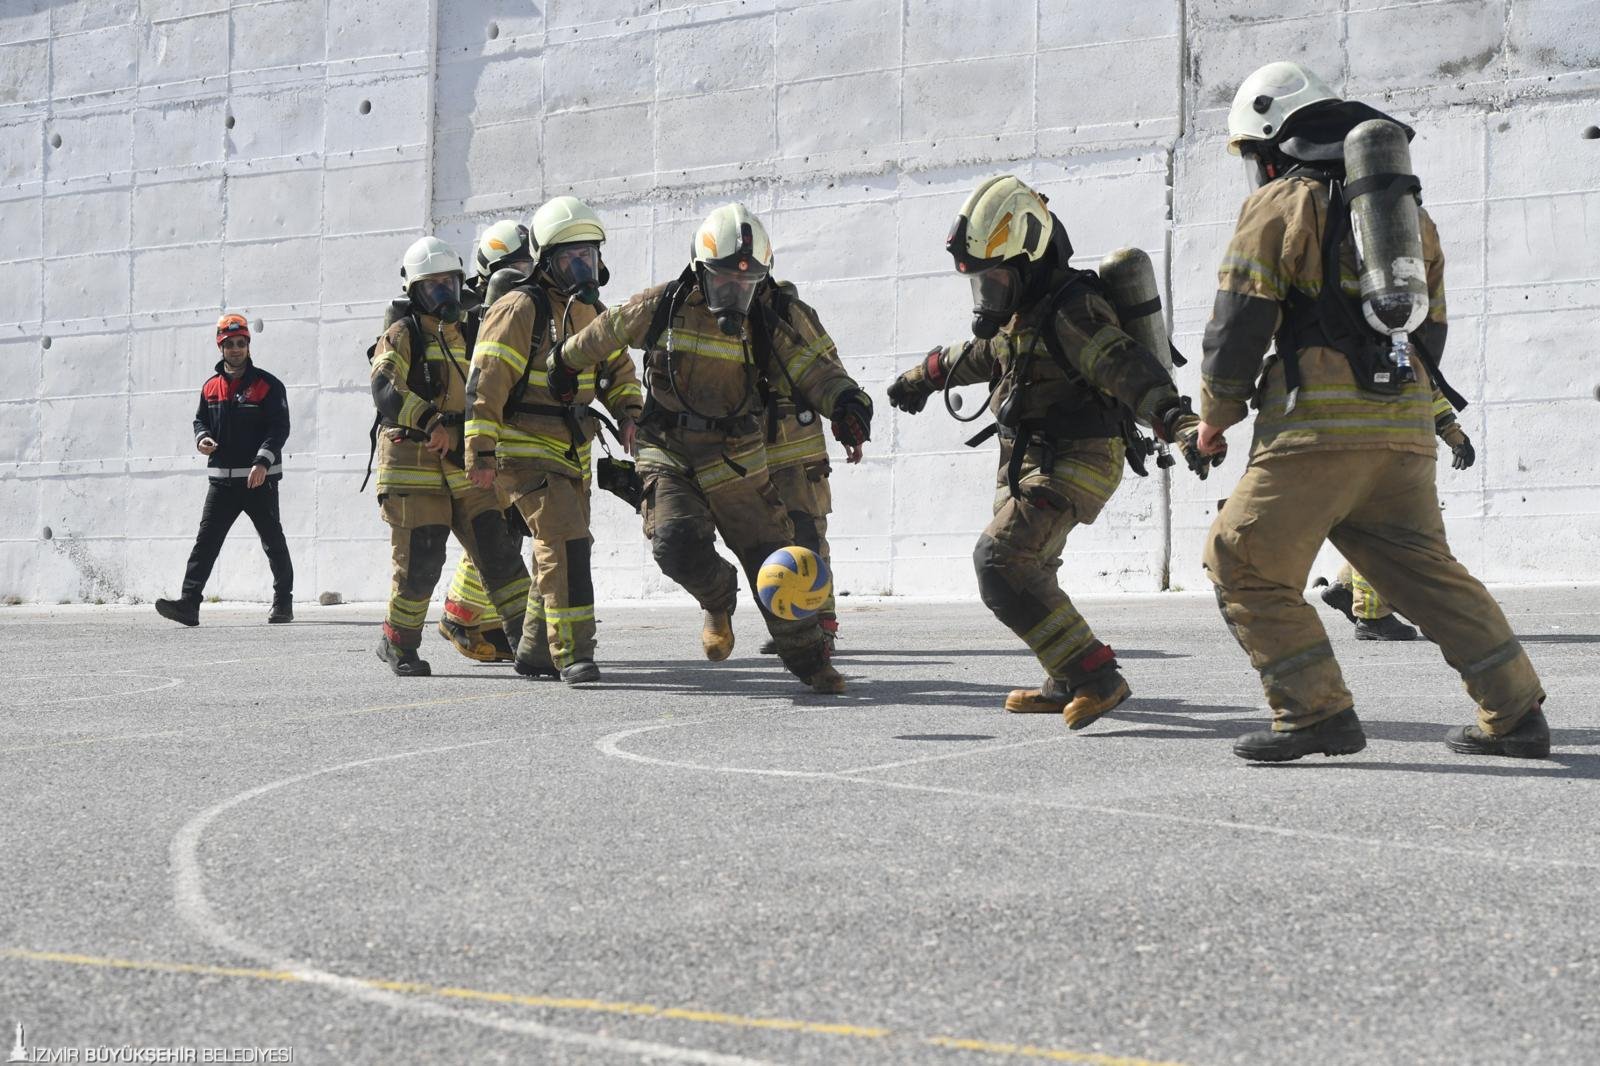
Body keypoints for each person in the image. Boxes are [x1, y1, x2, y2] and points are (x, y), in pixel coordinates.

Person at [1196, 61, 1548, 761]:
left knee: (1240, 559)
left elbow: (1240, 320)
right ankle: (1516, 714)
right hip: (1404, 426)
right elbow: (1431, 331)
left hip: (1318, 431)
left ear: (1272, 142)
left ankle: (1314, 712)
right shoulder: (1408, 213)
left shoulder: (1282, 202)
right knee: (1426, 573)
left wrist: (1216, 415)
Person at [888, 175, 1215, 728]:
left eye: (994, 281)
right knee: (1031, 567)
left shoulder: (1073, 311)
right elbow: (977, 352)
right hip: (1034, 459)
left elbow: (1129, 369)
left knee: (999, 561)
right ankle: (1064, 677)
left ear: (1030, 259)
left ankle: (1096, 676)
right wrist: (919, 378)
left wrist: (1179, 423)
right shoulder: (1023, 310)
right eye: (980, 284)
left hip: (1079, 458)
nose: (986, 297)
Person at [545, 204, 872, 694]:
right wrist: (565, 363)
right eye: (724, 283)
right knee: (674, 543)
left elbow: (812, 367)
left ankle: (809, 662)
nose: (735, 295)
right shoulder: (663, 306)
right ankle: (719, 600)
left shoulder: (765, 318)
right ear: (701, 270)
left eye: (747, 284)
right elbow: (606, 330)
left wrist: (847, 403)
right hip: (668, 448)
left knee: (774, 559)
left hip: (737, 454)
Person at [465, 198, 645, 684]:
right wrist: (480, 452)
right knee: (566, 542)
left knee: (558, 545)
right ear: (546, 261)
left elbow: (619, 371)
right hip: (522, 447)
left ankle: (535, 651)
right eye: (571, 257)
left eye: (589, 254)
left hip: (571, 449)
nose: (583, 265)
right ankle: (574, 653)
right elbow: (485, 384)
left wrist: (630, 414)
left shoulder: (592, 310)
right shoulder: (519, 307)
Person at [369, 236, 531, 676]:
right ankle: (398, 643)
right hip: (413, 464)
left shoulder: (476, 330)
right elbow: (385, 387)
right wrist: (430, 422)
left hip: (465, 460)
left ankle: (529, 644)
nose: (444, 295)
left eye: (450, 284)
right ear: (414, 292)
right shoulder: (402, 334)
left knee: (498, 552)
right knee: (421, 561)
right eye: (432, 287)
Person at [434, 220, 534, 665]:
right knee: (500, 531)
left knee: (510, 530)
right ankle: (459, 613)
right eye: (516, 267)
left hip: (515, 433)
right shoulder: (476, 314)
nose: (525, 274)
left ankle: (489, 619)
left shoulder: (520, 306)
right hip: (488, 437)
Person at [155, 314, 293, 626]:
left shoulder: (268, 385)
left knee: (273, 541)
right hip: (222, 482)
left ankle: (283, 602)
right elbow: (200, 420)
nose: (235, 349)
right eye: (229, 344)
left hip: (259, 481)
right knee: (206, 543)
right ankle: (189, 605)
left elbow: (279, 427)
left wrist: (262, 461)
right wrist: (202, 438)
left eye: (241, 343)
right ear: (220, 346)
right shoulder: (210, 388)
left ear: (248, 345)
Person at [1321, 408, 1477, 640]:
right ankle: (1372, 617)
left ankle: (1347, 587)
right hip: (1377, 453)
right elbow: (1423, 388)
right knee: (1381, 535)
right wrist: (1453, 435)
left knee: (1378, 531)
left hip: (1376, 453)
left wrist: (1454, 436)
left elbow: (1424, 389)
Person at [758, 367, 840, 655]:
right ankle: (794, 629)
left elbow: (824, 370)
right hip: (752, 451)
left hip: (799, 449)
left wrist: (847, 415)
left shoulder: (788, 323)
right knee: (773, 549)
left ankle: (822, 628)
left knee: (809, 541)